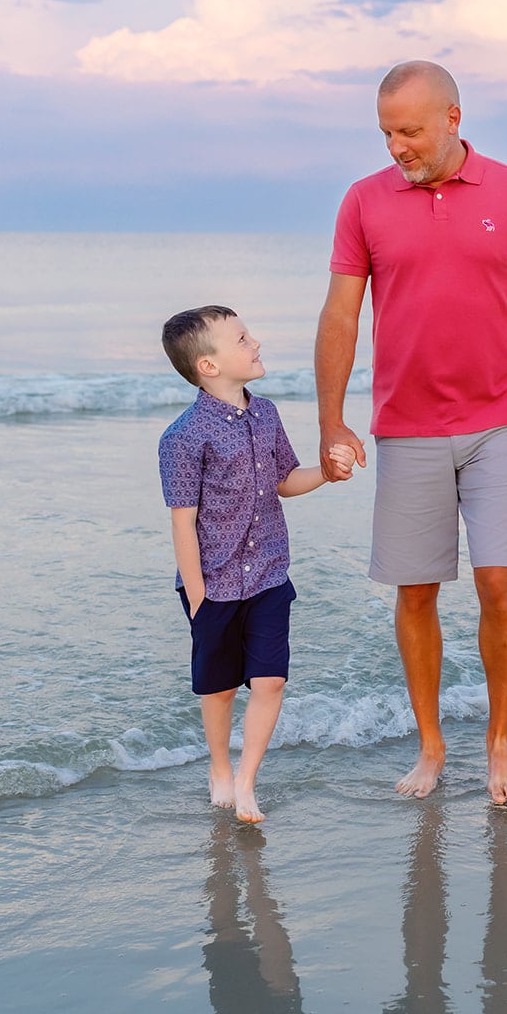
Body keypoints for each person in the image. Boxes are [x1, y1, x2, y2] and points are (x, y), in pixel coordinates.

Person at [315, 60, 507, 804]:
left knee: (496, 580)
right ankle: (431, 745)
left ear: (452, 118)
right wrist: (331, 419)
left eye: (410, 130)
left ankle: (500, 741)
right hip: (406, 426)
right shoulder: (363, 201)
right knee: (415, 591)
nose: (397, 147)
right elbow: (341, 314)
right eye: (386, 133)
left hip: (496, 419)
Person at [159, 305, 354, 823]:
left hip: (268, 573)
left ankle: (246, 781)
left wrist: (327, 473)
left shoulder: (266, 414)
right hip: (214, 584)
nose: (255, 344)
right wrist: (198, 598)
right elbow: (183, 523)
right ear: (208, 365)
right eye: (242, 339)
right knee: (220, 688)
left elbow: (285, 480)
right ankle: (219, 768)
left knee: (270, 682)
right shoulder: (183, 437)